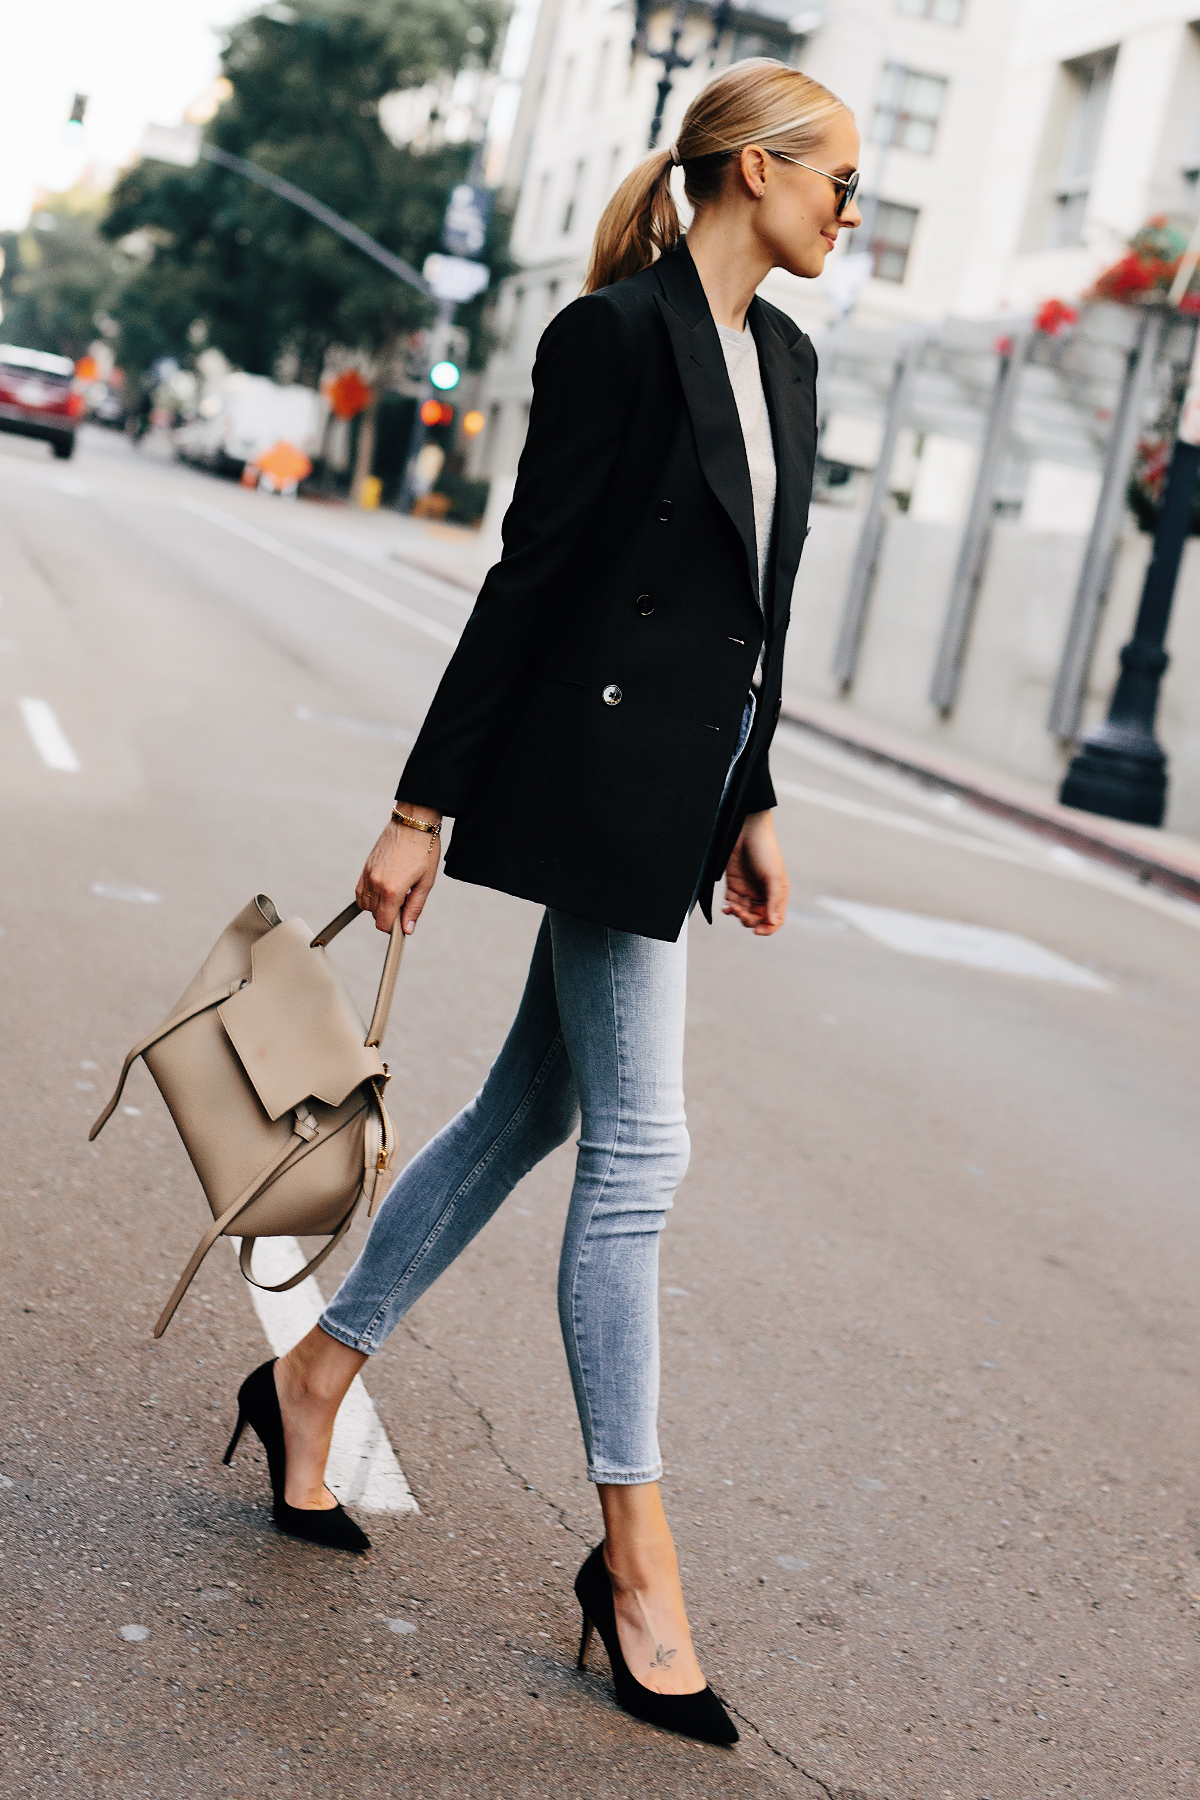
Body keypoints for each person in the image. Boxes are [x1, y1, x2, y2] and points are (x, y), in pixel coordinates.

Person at [225, 56, 860, 1745]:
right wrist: (421, 804)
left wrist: (759, 794)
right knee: (641, 1150)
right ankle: (636, 1562)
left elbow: (759, 617)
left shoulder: (786, 359)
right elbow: (538, 578)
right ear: (746, 169)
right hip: (586, 786)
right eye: (836, 181)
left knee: (533, 1107)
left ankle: (315, 1372)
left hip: (679, 803)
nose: (848, 212)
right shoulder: (616, 340)